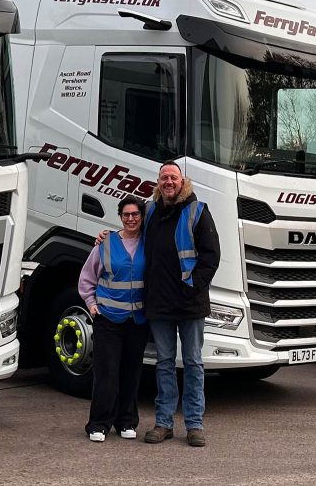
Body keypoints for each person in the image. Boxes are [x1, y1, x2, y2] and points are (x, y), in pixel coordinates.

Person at [97, 161, 220, 447]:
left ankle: (194, 425)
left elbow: (211, 257)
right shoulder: (150, 211)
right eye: (164, 177)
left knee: (193, 363)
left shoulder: (198, 211)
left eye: (173, 177)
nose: (168, 182)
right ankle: (163, 422)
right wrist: (106, 236)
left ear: (182, 182)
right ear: (158, 182)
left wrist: (192, 287)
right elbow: (129, 231)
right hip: (159, 304)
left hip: (190, 304)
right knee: (164, 363)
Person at [78, 196, 150, 442]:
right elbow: (87, 279)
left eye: (135, 214)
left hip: (137, 320)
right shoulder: (105, 243)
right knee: (107, 373)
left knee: (131, 372)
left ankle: (126, 421)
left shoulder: (149, 244)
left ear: (142, 216)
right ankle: (98, 424)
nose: (131, 219)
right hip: (108, 318)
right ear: (120, 217)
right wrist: (92, 305)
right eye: (126, 215)